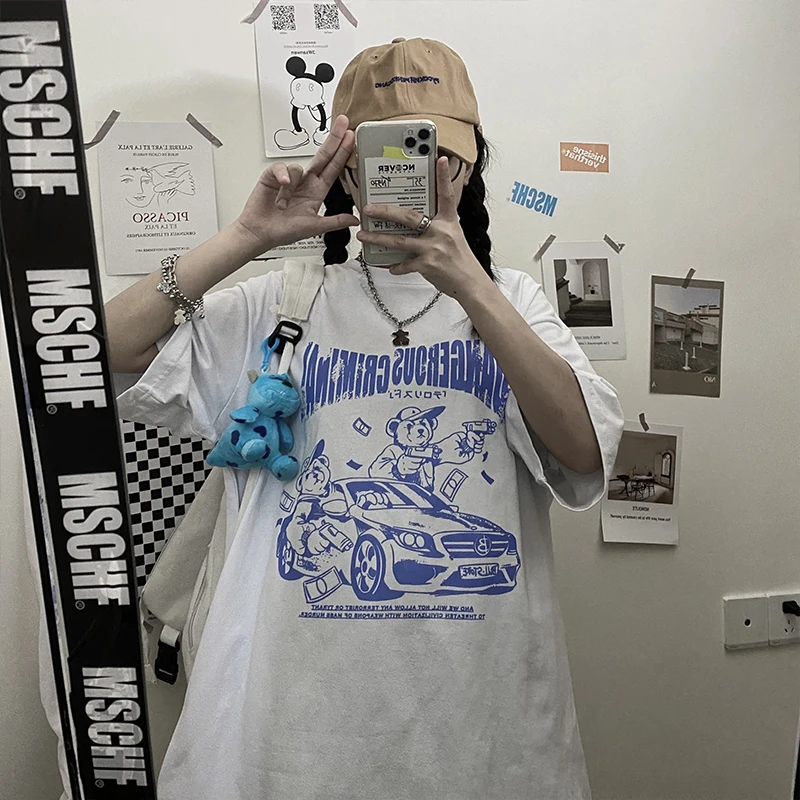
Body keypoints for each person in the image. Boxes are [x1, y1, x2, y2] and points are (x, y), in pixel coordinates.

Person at [109, 37, 624, 800]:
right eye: (392, 156)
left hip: (483, 736)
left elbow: (584, 456)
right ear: (348, 167)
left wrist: (472, 286)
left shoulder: (512, 301)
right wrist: (244, 240)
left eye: (441, 155)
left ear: (470, 165)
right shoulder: (285, 300)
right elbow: (104, 349)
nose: (420, 176)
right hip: (289, 743)